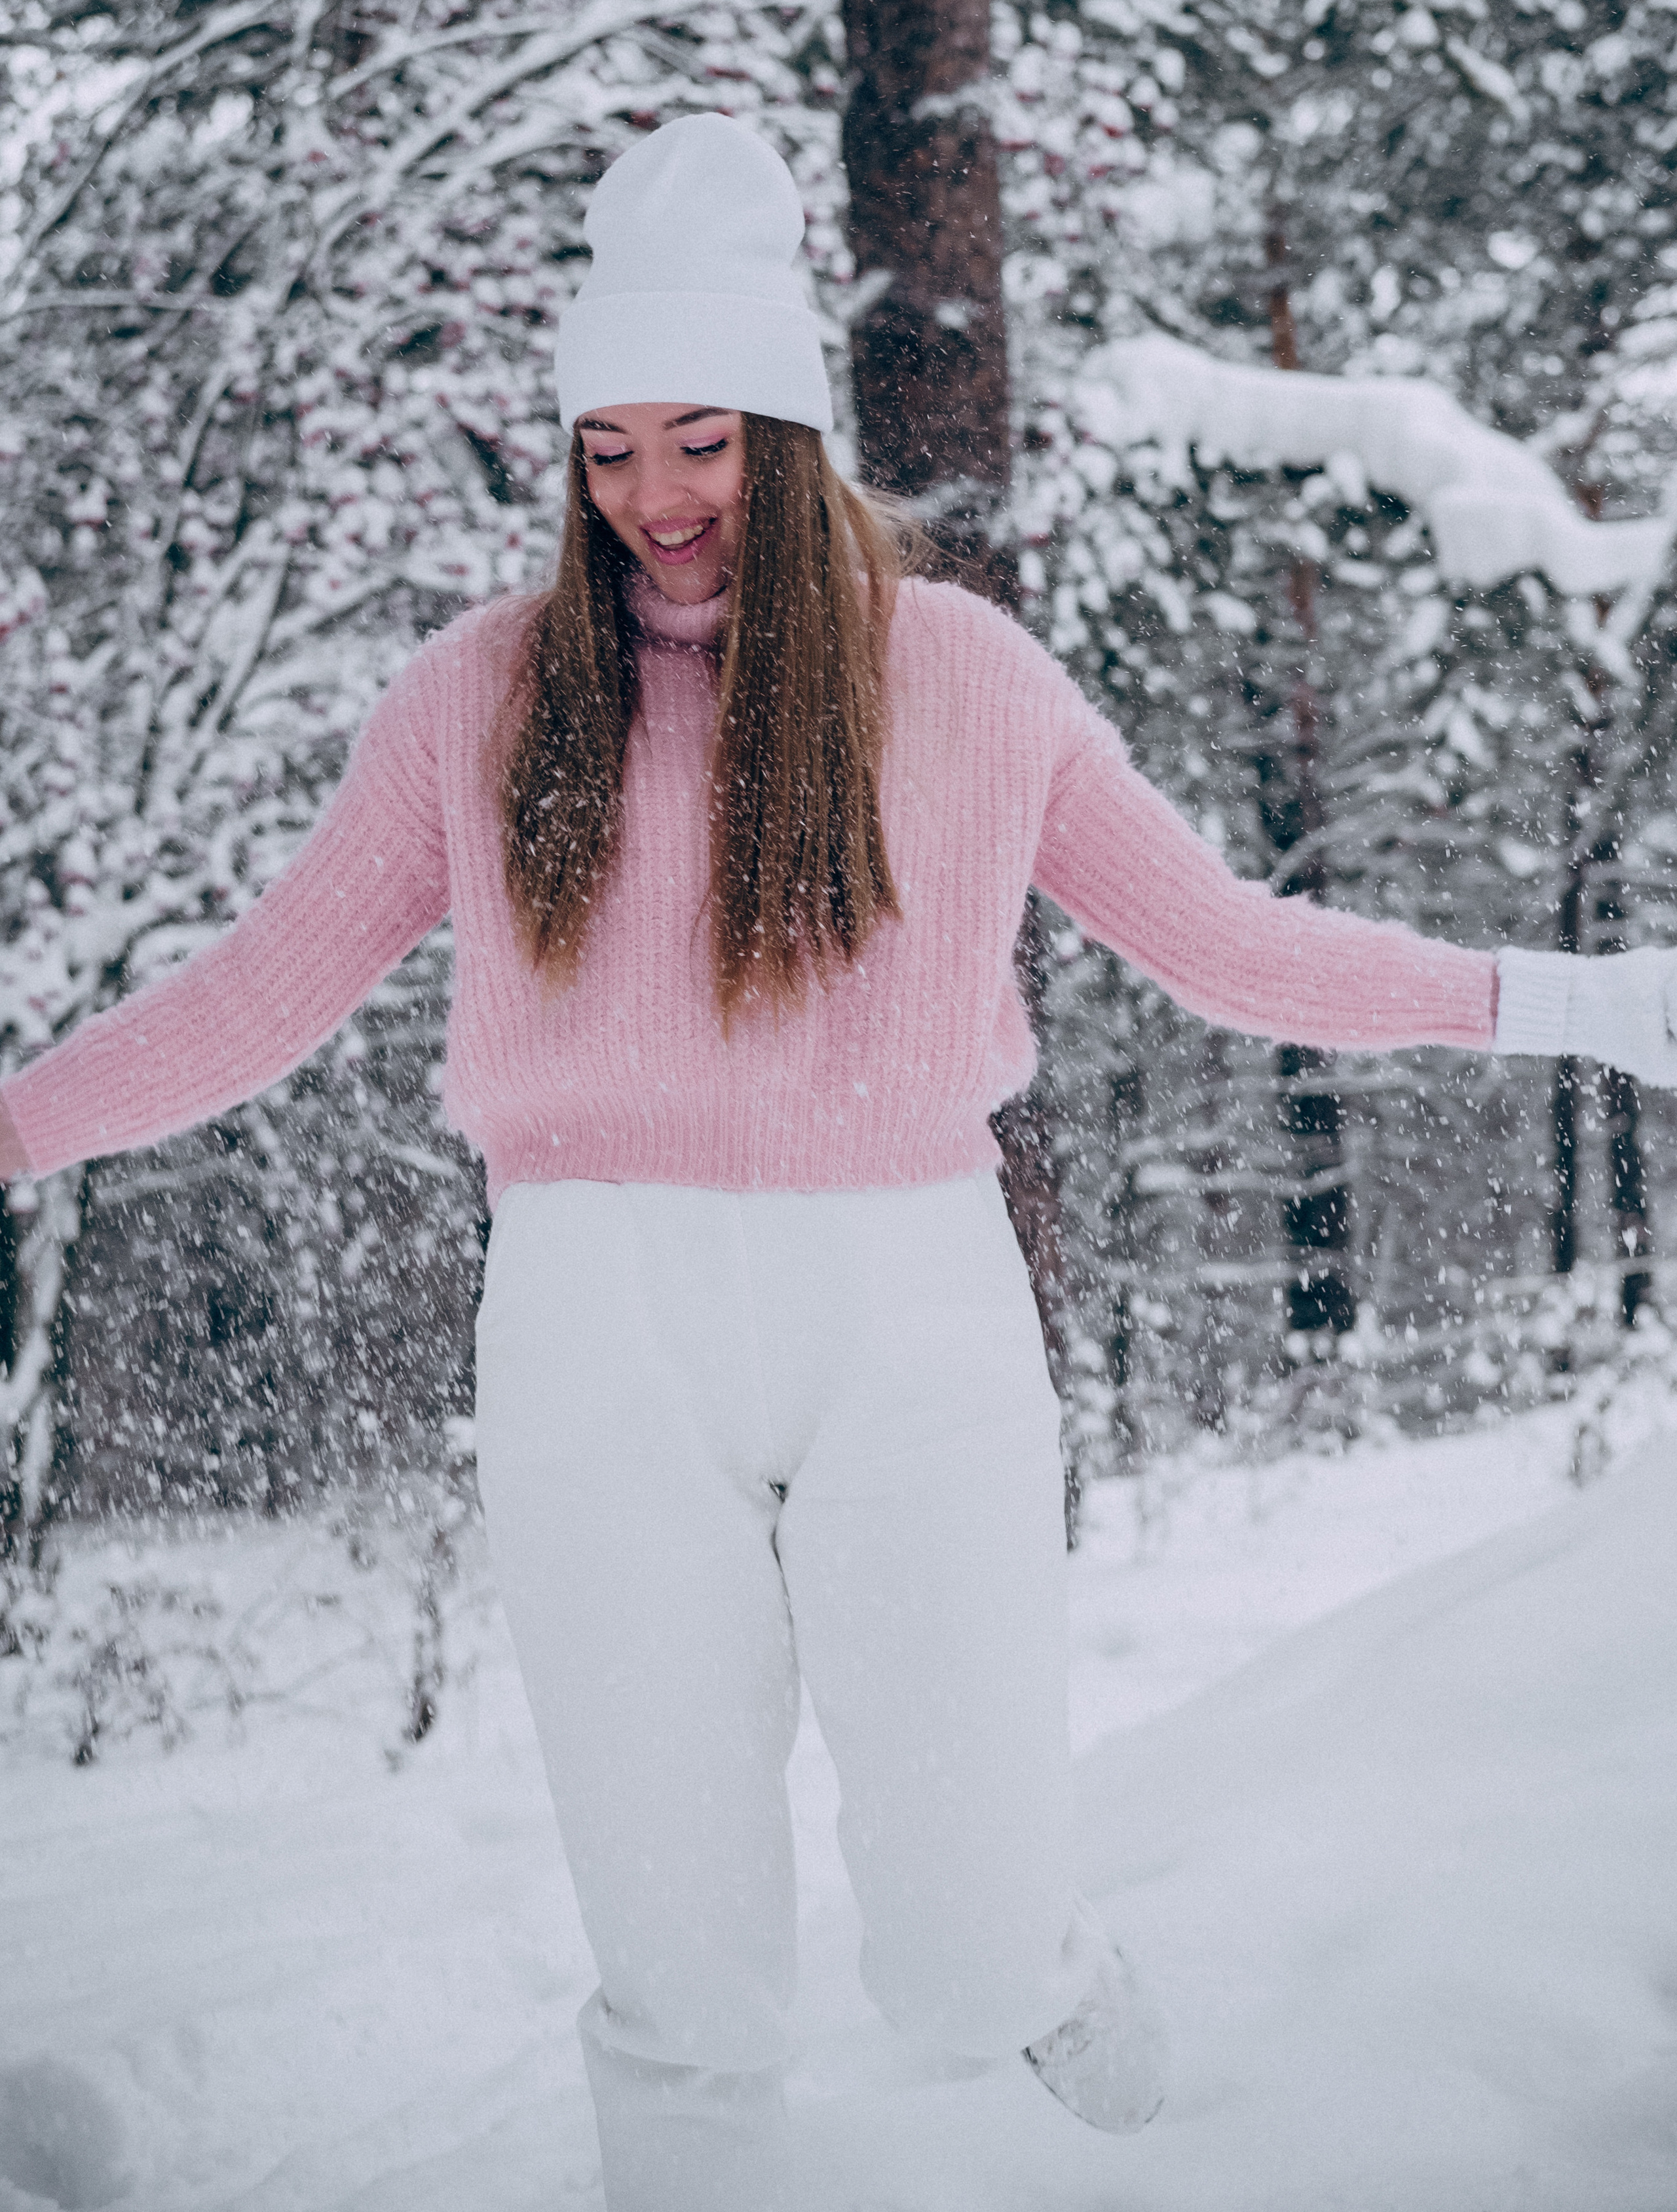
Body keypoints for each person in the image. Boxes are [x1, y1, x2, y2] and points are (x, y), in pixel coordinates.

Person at [3, 113, 1674, 2212]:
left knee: (971, 1949)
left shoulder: (962, 678)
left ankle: (1149, 2063)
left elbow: (1232, 944)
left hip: (913, 1310)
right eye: (606, 450)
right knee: (683, 1970)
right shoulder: (484, 701)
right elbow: (258, 995)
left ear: (785, 436)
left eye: (697, 441)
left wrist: (1557, 998)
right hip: (594, 1330)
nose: (654, 499)